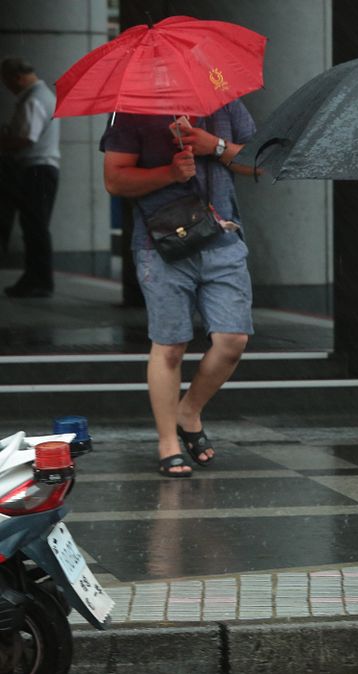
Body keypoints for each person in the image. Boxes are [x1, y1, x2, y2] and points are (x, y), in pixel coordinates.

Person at [100, 101, 257, 478]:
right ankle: (168, 440)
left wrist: (213, 146)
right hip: (162, 244)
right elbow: (114, 180)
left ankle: (189, 411)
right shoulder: (132, 109)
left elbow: (260, 161)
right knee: (169, 345)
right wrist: (170, 173)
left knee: (232, 340)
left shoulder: (226, 102)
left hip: (222, 239)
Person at [0, 57, 60, 298]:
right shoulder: (44, 96)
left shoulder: (34, 99)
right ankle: (37, 278)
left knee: (35, 226)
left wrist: (4, 141)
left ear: (17, 77)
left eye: (7, 82)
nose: (8, 88)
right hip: (43, 169)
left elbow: (26, 138)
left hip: (36, 168)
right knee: (35, 225)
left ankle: (39, 280)